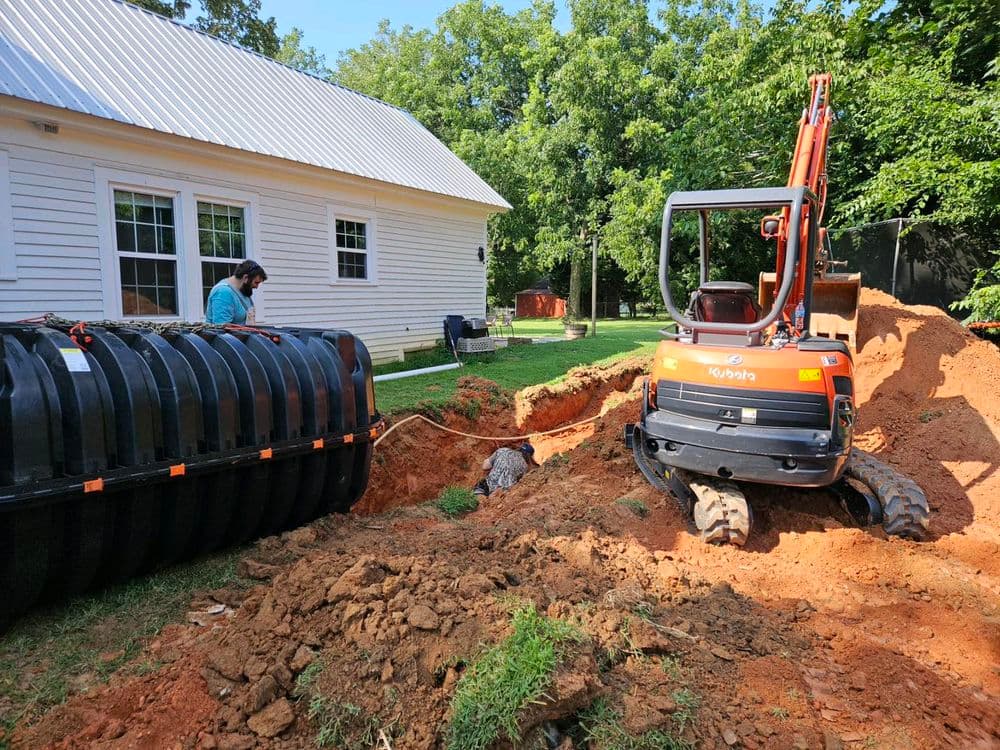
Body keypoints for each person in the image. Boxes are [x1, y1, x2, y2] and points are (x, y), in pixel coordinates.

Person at [205, 260, 268, 325]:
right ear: (245, 277)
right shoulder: (223, 292)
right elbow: (222, 330)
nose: (256, 287)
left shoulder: (244, 290)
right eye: (256, 282)